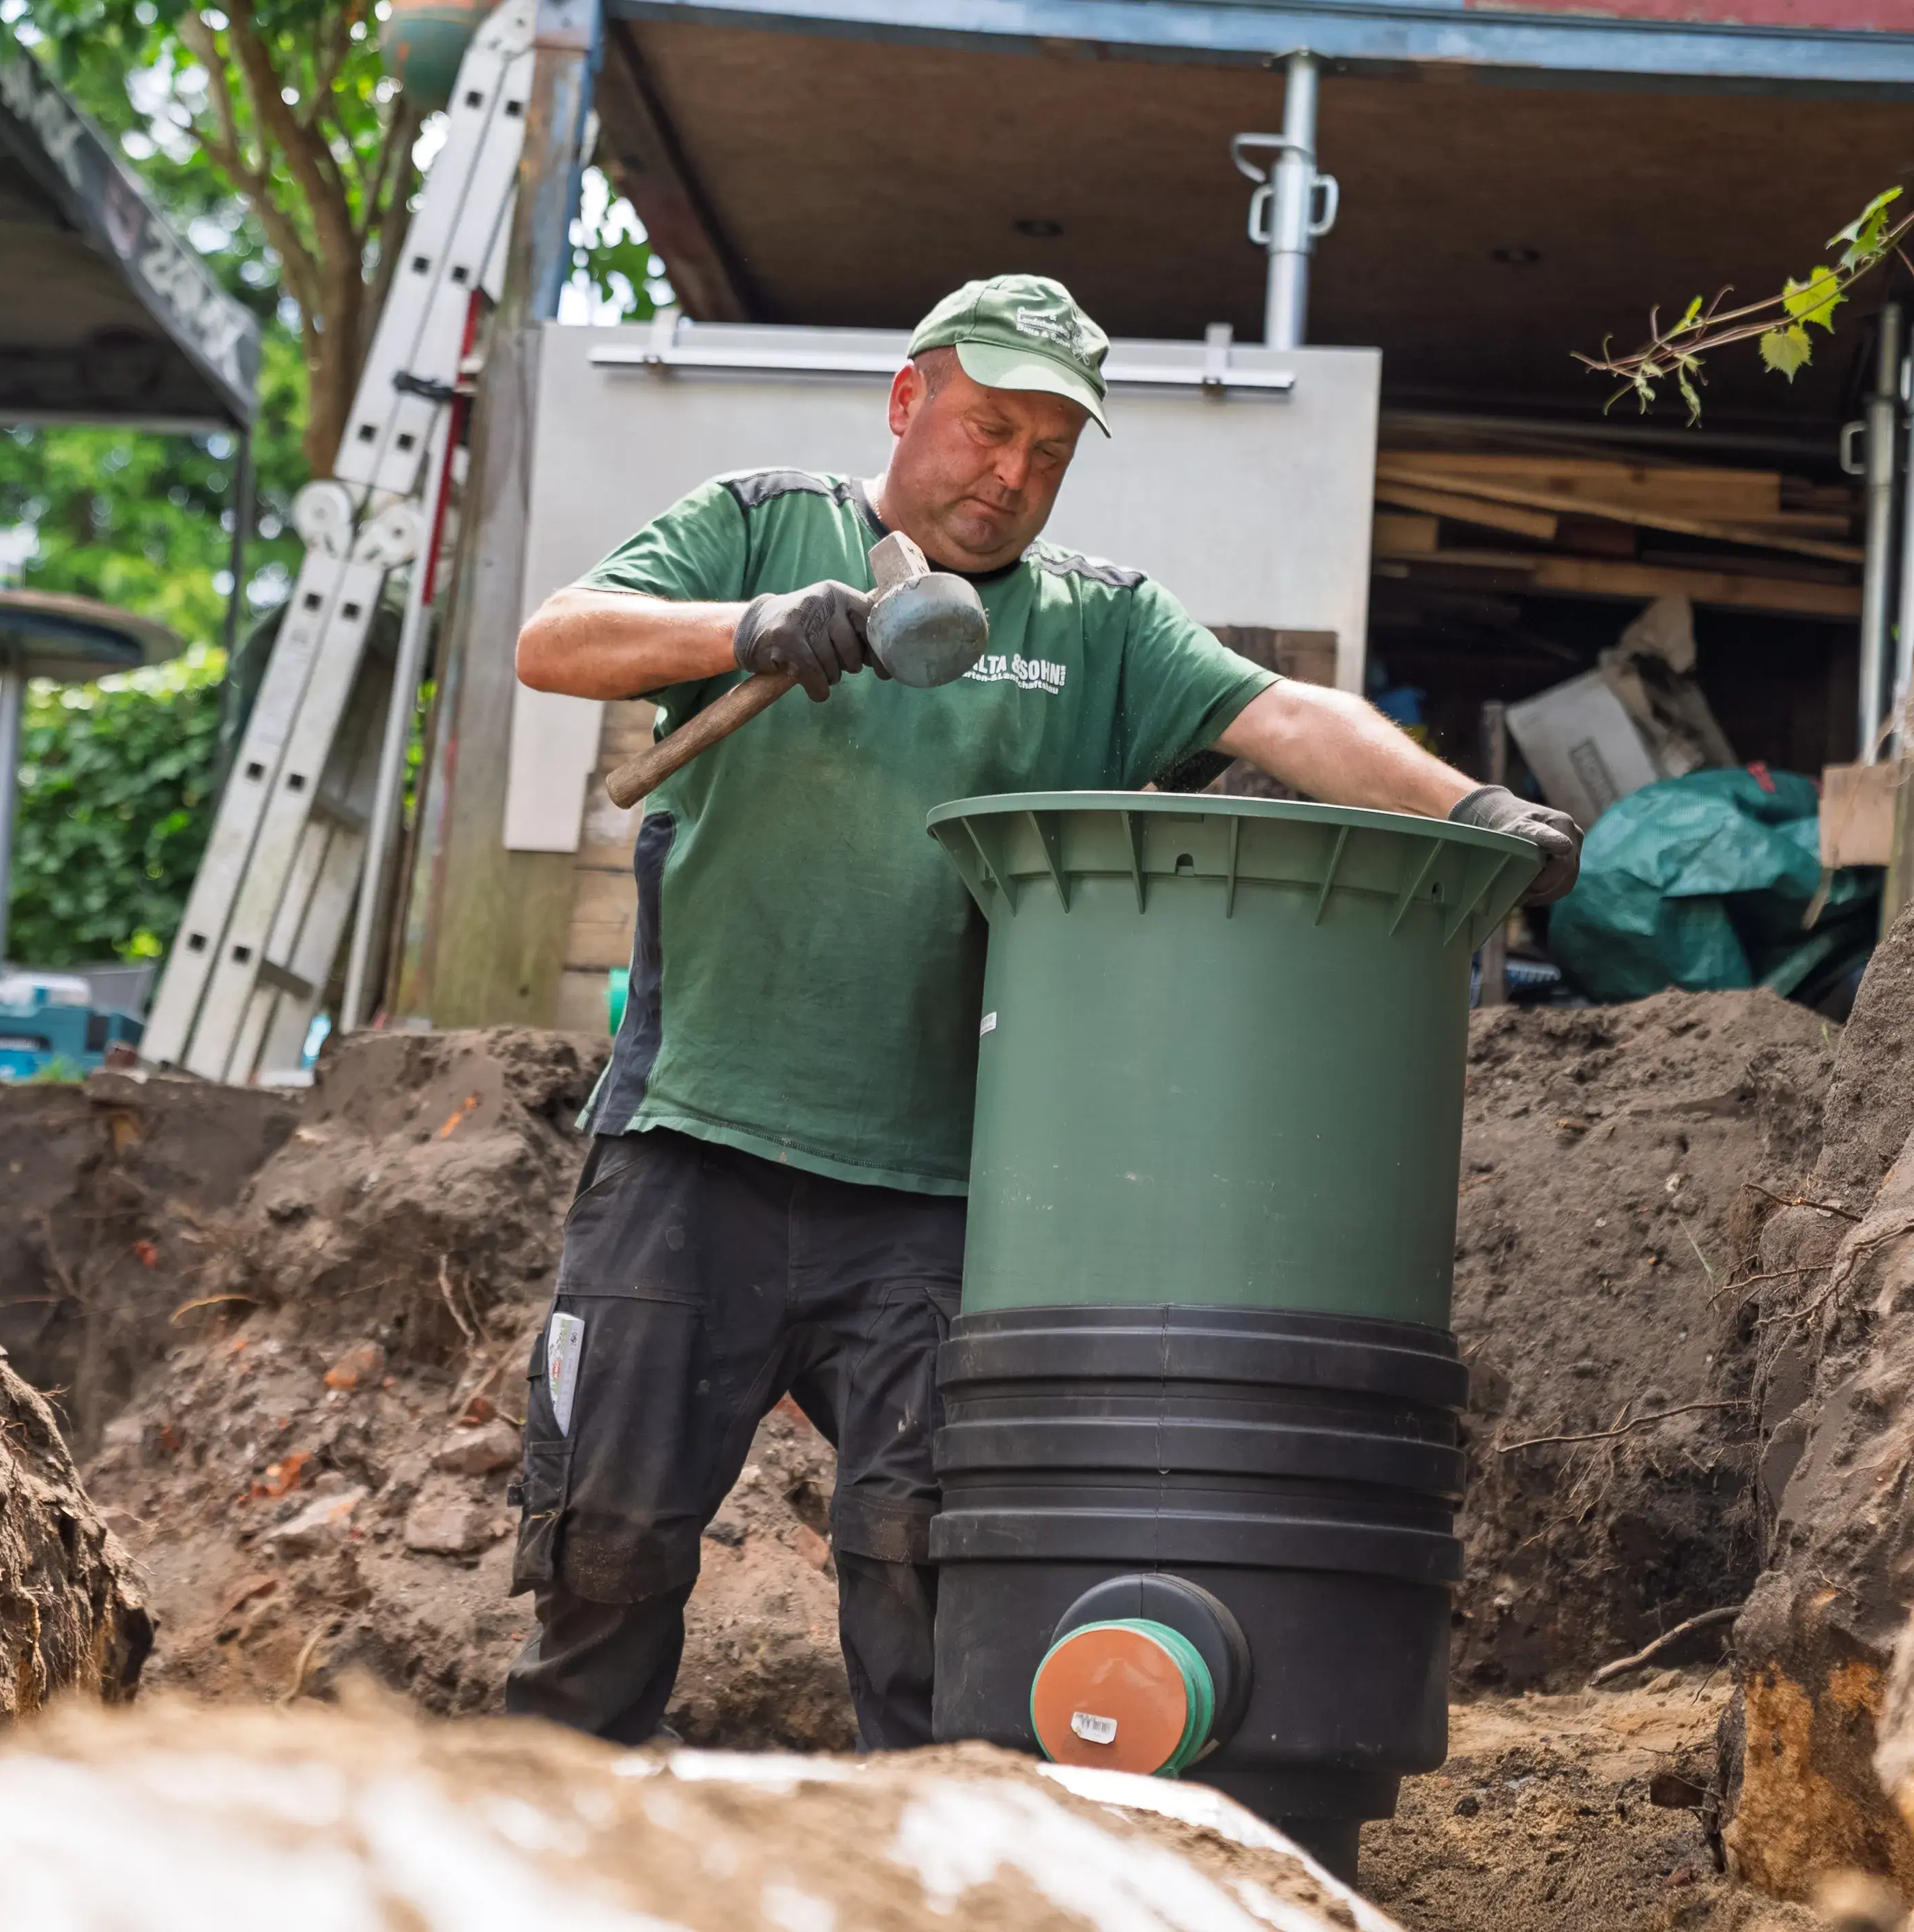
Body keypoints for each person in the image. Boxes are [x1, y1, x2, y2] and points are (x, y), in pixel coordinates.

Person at [504, 274, 1580, 1749]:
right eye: (987, 430)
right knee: (605, 1562)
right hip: (691, 1148)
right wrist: (752, 626)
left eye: (1050, 453)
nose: (1010, 476)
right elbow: (557, 640)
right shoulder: (758, 522)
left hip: (937, 1207)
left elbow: (1282, 715)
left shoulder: (1103, 627)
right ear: (909, 401)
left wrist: (1475, 806)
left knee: (932, 1593)